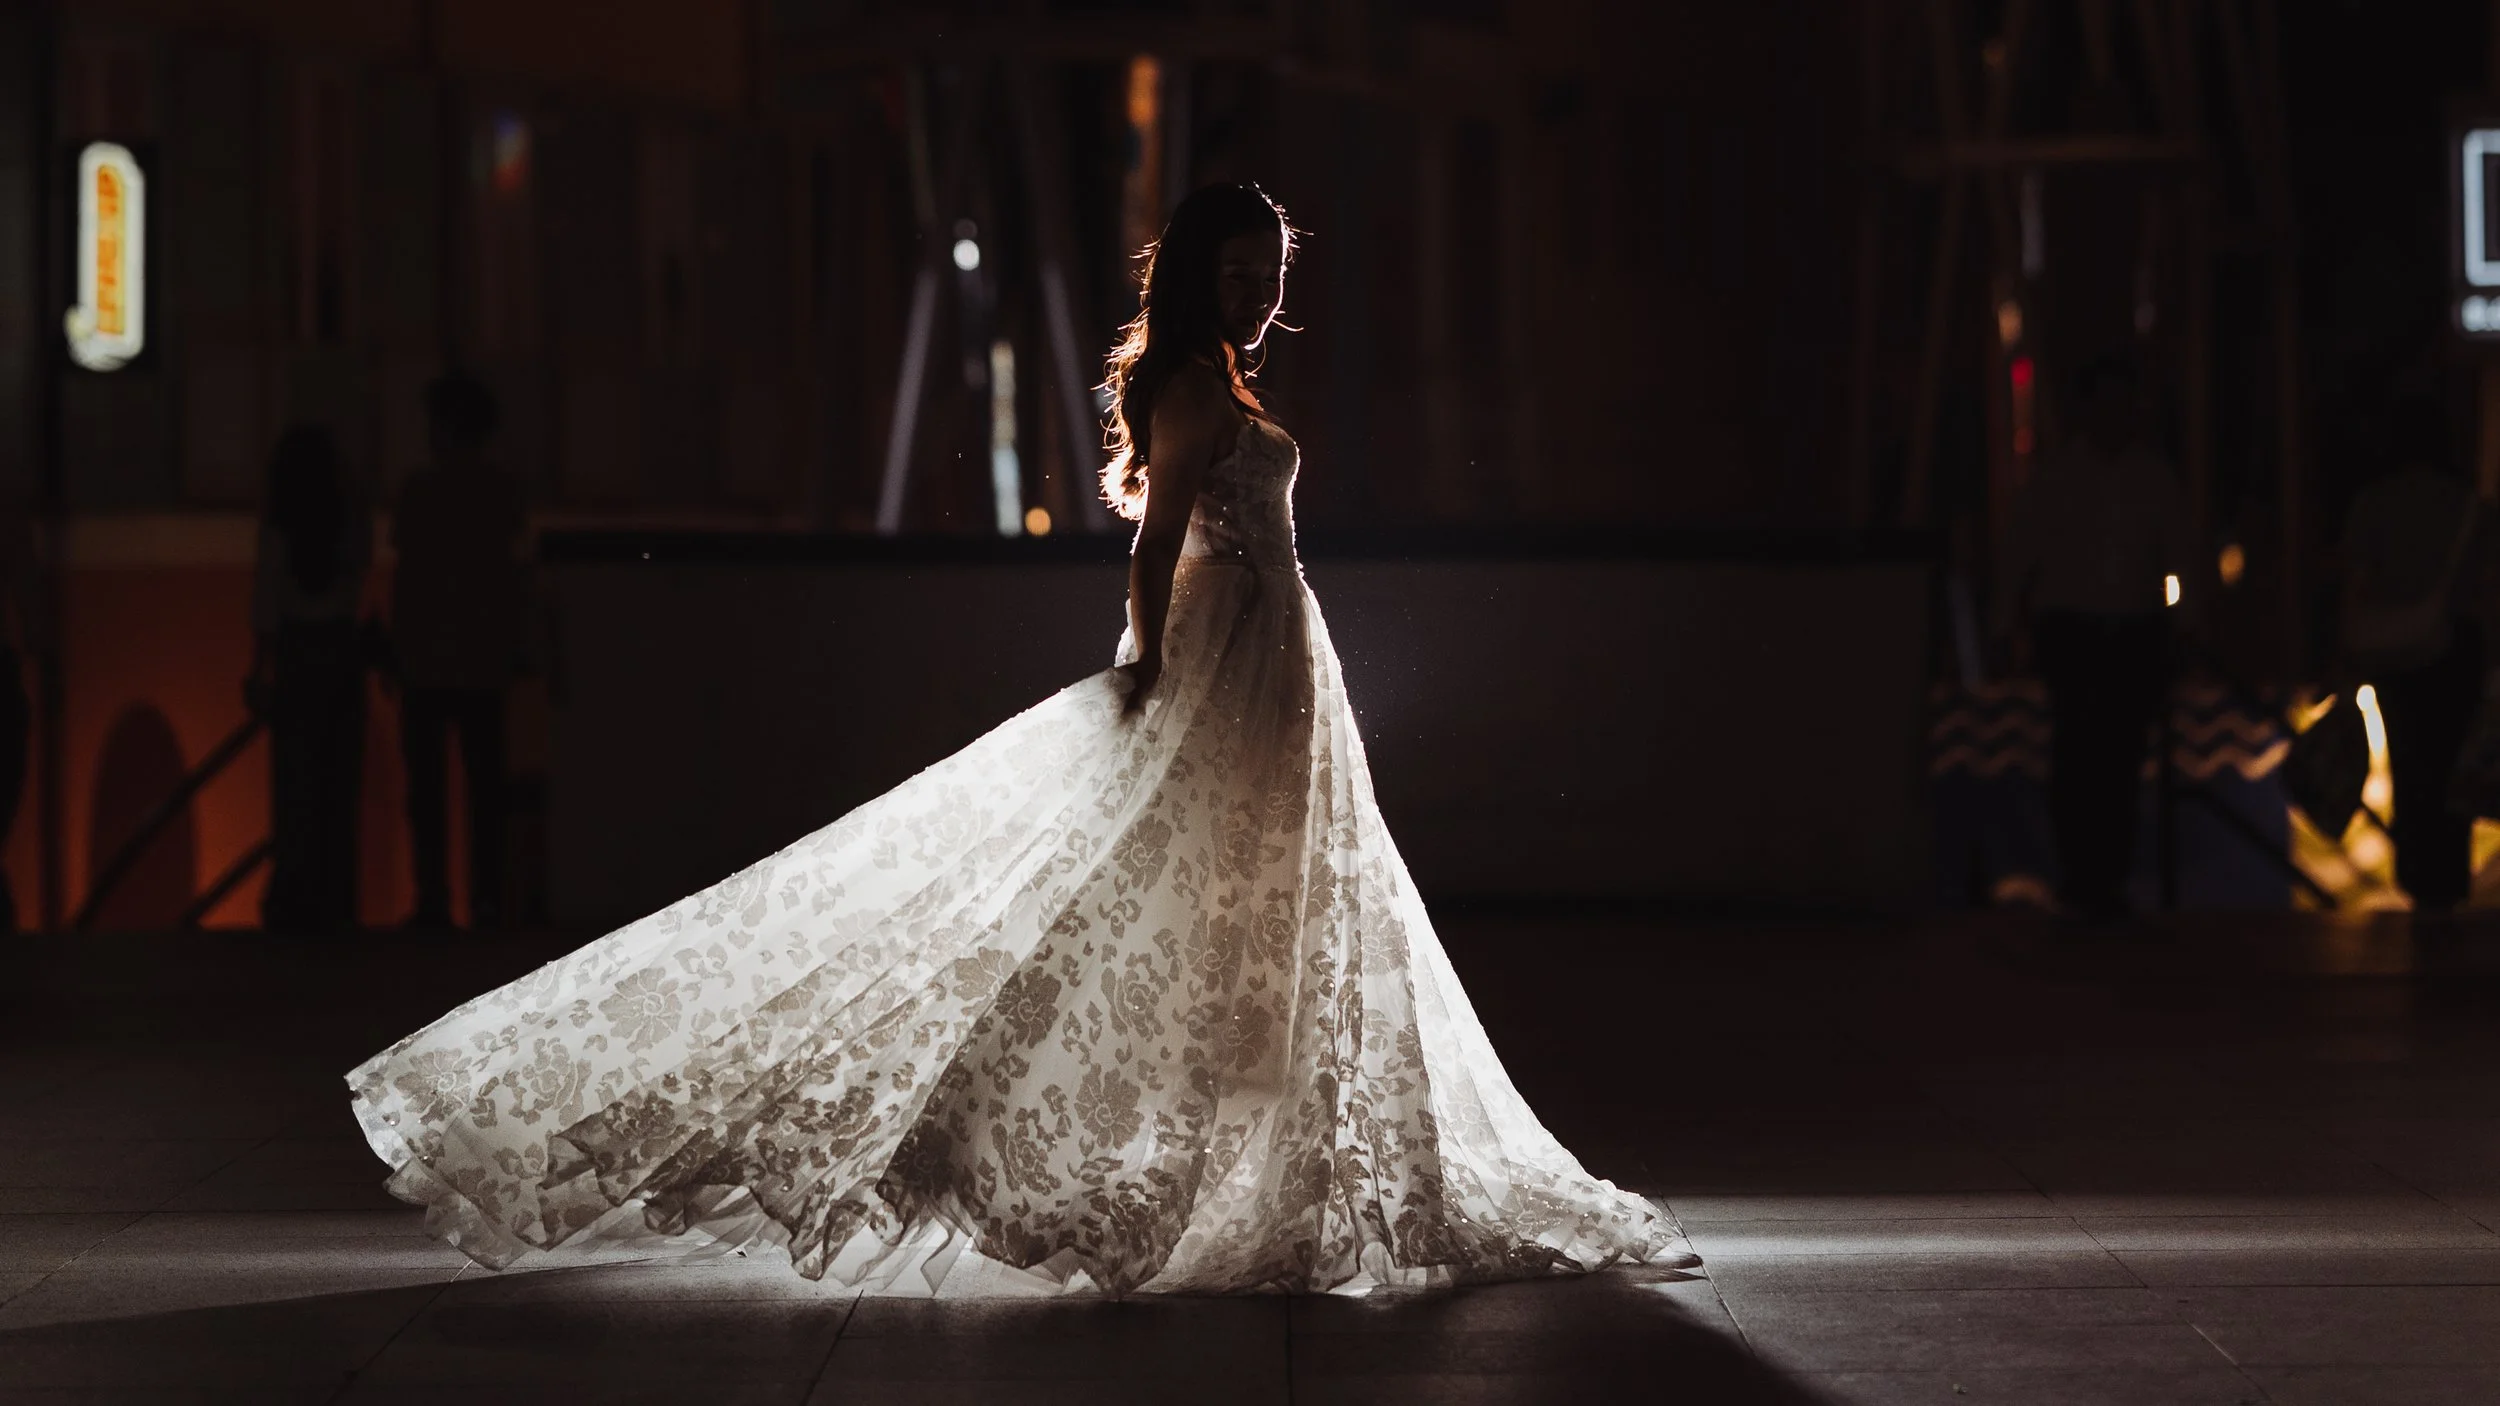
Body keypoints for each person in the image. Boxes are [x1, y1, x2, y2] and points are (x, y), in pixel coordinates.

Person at [348, 183, 1684, 1295]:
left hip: (1280, 674)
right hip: (1224, 667)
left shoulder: (1219, 375)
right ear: (1195, 280)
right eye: (1236, 271)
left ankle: (1273, 1155)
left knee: (1257, 915)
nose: (1257, 293)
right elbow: (1156, 544)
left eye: (1267, 272)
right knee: (1129, 908)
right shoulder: (1182, 381)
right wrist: (1155, 670)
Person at [1995, 355, 2193, 925]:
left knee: (2120, 756)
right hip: (2074, 631)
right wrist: (2007, 624)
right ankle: (2081, 876)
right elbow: (2020, 554)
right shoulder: (2059, 478)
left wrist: (2181, 623)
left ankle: (2105, 878)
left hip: (2131, 631)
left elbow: (2177, 559)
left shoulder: (2151, 479)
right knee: (2078, 754)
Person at [2336, 406, 2494, 917]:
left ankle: (2419, 877)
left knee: (2411, 765)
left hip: (2394, 654)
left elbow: (2355, 580)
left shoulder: (2375, 502)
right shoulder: (2467, 505)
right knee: (2453, 766)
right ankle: (2448, 878)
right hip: (2455, 652)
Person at [390, 372, 528, 931]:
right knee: (484, 789)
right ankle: (488, 898)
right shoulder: (502, 492)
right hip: (484, 655)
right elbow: (510, 578)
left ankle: (433, 899)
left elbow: (409, 579)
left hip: (427, 656)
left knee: (427, 792)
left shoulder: (419, 492)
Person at [248, 425, 372, 933]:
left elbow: (266, 603)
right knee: (339, 789)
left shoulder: (279, 526)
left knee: (295, 789)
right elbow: (359, 575)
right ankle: (337, 902)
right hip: (342, 652)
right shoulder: (350, 521)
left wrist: (260, 669)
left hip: (297, 658)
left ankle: (294, 900)